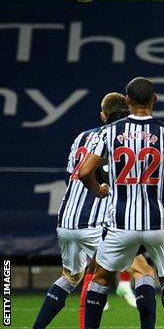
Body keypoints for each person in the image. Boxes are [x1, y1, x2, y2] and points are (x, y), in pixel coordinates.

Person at [32, 92, 154, 329]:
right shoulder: (119, 138)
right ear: (128, 112)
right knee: (143, 271)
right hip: (96, 223)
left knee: (70, 277)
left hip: (67, 221)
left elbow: (72, 176)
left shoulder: (81, 138)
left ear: (102, 115)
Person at [79, 77, 164, 329]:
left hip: (120, 223)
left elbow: (85, 171)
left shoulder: (108, 132)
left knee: (101, 278)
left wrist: (99, 190)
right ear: (155, 100)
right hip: (158, 223)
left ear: (127, 101)